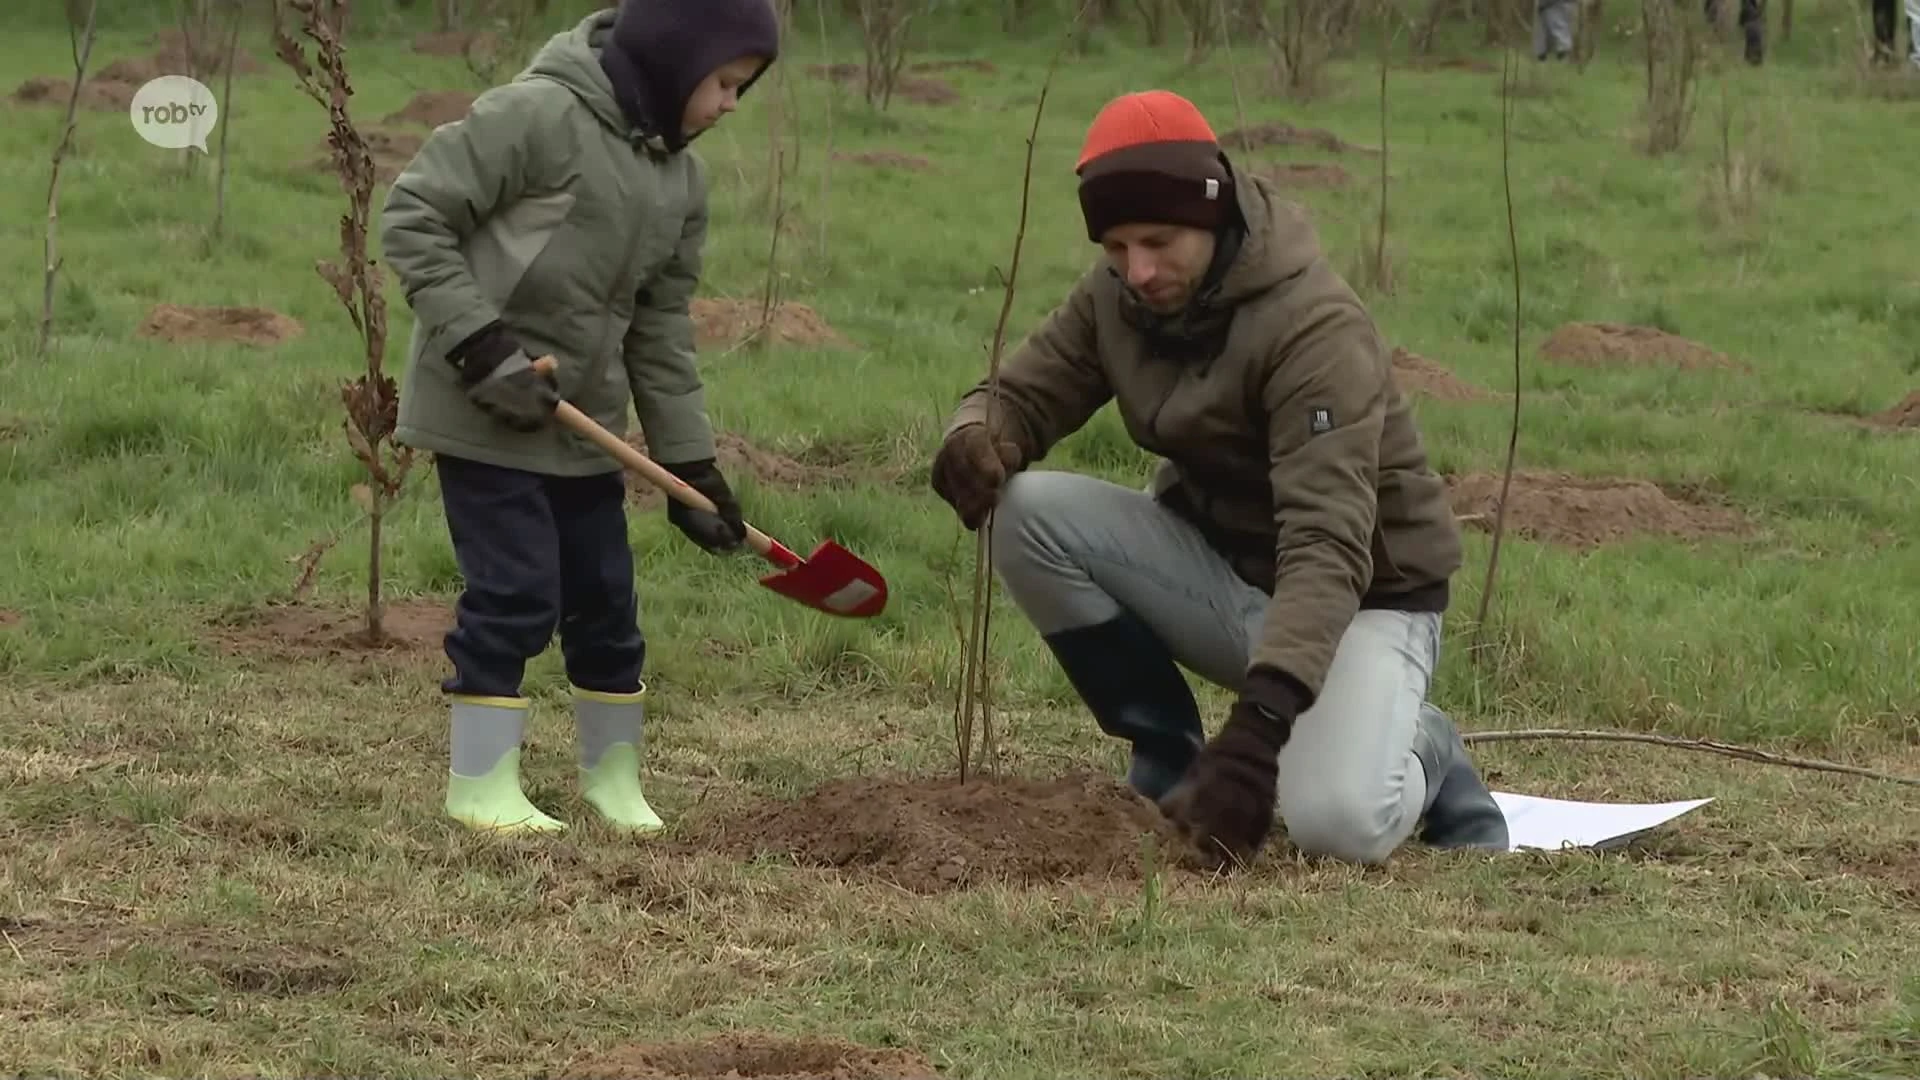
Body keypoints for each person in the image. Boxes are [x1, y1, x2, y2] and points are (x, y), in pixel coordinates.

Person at [929, 90, 1509, 869]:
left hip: (1362, 599)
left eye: (1159, 241)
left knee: (1335, 826)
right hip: (1224, 570)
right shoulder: (1117, 295)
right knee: (1026, 509)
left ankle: (1425, 747)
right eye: (1116, 248)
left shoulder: (1313, 328)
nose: (1137, 271)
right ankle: (1167, 752)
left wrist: (1257, 733)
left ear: (1213, 214)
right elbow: (1024, 394)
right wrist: (974, 435)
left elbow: (1328, 546)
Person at [379, 0, 780, 837]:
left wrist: (690, 465)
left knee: (605, 603)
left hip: (582, 426)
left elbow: (662, 329)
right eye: (726, 83)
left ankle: (613, 780)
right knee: (517, 592)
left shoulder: (681, 180)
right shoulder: (536, 116)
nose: (732, 105)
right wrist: (482, 347)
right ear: (676, 60)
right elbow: (415, 213)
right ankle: (481, 785)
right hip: (482, 408)